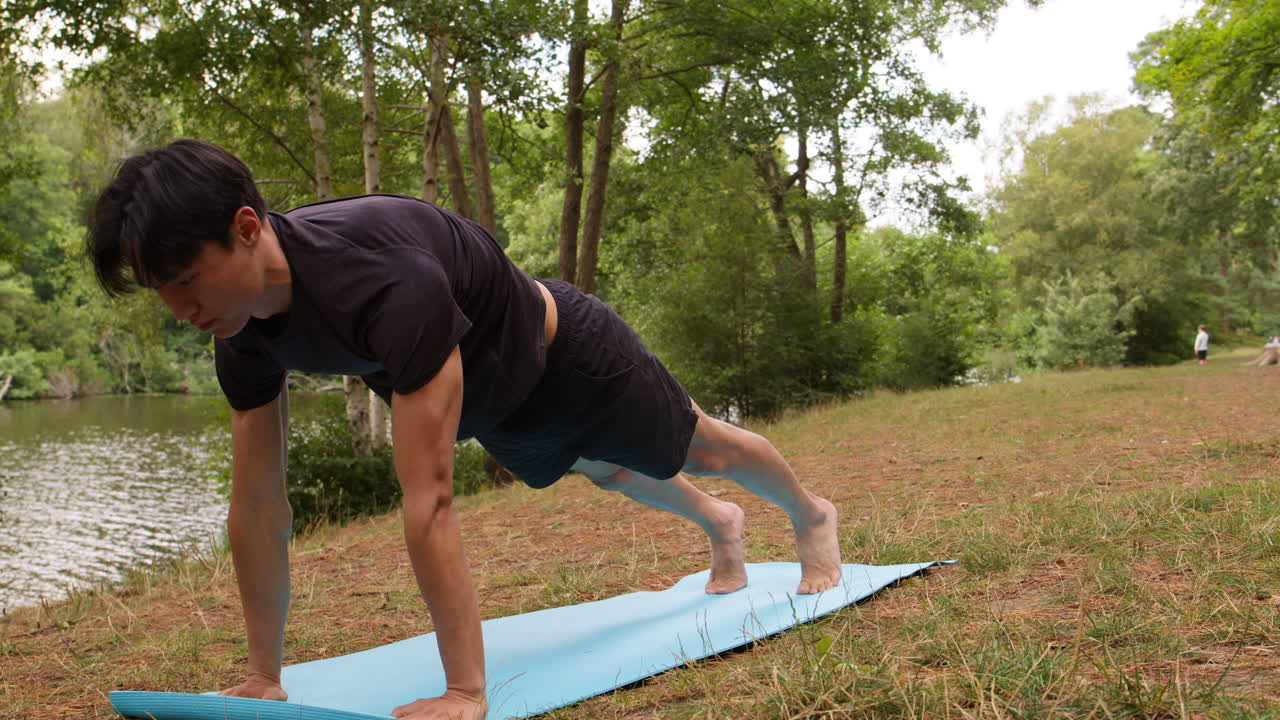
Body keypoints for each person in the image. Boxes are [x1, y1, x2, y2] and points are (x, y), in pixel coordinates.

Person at [86, 140, 841, 720]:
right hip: (495, 405)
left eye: (185, 281)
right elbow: (255, 509)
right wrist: (264, 678)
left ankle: (809, 514)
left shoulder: (381, 277)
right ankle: (723, 524)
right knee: (610, 472)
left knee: (698, 446)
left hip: (570, 357)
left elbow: (431, 497)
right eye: (162, 292)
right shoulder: (240, 327)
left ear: (246, 228)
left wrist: (464, 688)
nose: (179, 310)